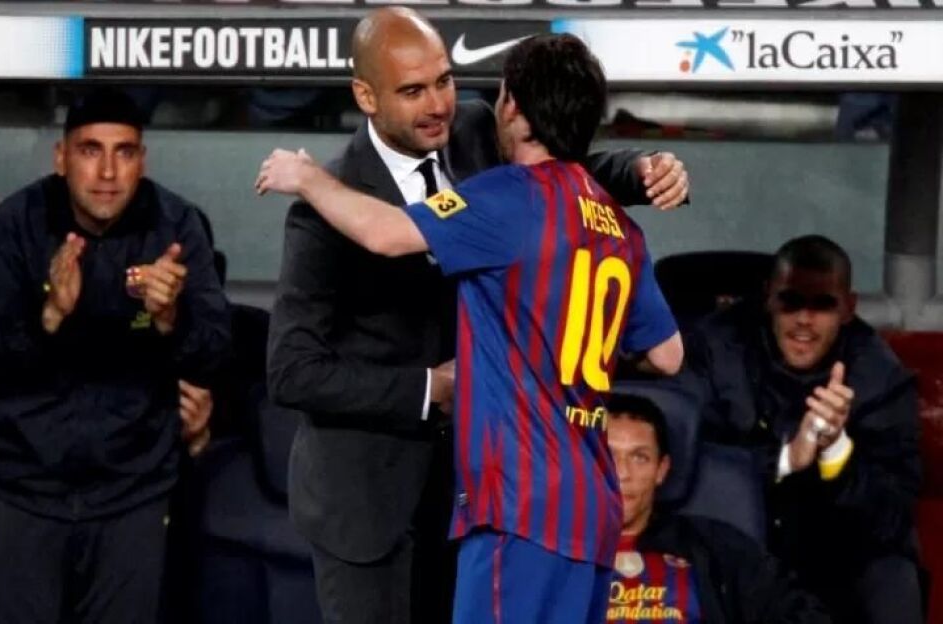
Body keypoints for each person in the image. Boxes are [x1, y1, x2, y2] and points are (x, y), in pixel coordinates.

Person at [263, 8, 689, 624]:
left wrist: (639, 169)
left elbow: (560, 166)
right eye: (413, 91)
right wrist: (429, 388)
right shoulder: (325, 209)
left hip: (489, 495)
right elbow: (292, 372)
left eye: (445, 80)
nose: (438, 103)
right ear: (366, 96)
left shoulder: (477, 134)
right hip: (371, 502)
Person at [0, 88, 231, 624]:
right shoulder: (12, 226)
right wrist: (50, 316)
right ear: (61, 157)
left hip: (133, 495)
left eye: (123, 152)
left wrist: (169, 319)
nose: (107, 171)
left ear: (142, 160)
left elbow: (216, 354)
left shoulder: (176, 227)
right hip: (22, 490)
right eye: (90, 150)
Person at [680, 235, 922, 623]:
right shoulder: (715, 346)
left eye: (822, 304)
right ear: (768, 298)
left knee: (894, 578)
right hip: (735, 539)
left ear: (848, 309)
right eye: (790, 301)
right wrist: (787, 458)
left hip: (834, 548)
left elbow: (893, 515)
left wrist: (836, 451)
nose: (804, 320)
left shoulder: (880, 377)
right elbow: (684, 462)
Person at [604, 393, 830, 624]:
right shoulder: (576, 551)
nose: (621, 473)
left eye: (639, 458)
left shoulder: (716, 547)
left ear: (661, 470)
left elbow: (806, 615)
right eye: (608, 455)